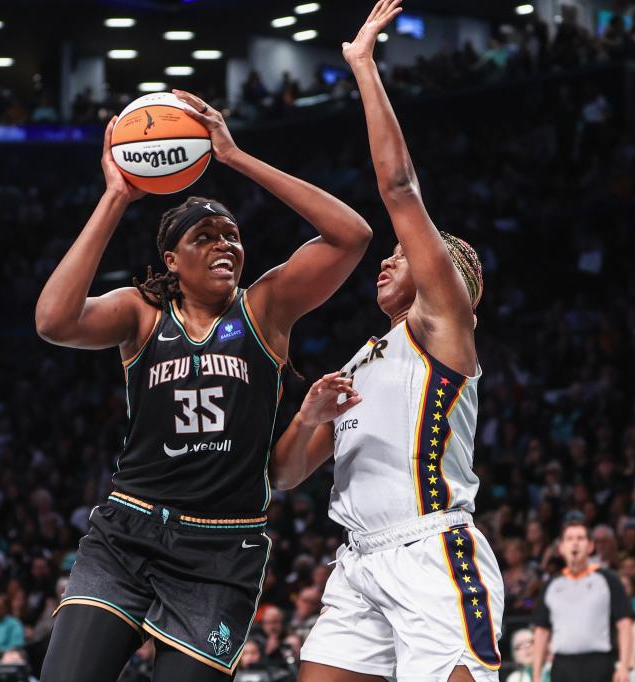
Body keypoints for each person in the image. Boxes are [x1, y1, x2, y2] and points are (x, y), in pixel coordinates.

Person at [34, 79, 372, 680]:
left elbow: (353, 235)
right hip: (128, 531)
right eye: (204, 238)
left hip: (222, 549)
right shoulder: (141, 312)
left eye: (232, 236)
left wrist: (235, 156)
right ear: (172, 260)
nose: (225, 245)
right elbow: (54, 320)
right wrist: (116, 197)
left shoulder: (264, 308)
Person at [278, 2, 501, 680]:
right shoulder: (360, 361)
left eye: (402, 256)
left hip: (432, 553)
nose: (386, 259)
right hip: (357, 562)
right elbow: (282, 478)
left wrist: (364, 65)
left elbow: (399, 187)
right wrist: (309, 416)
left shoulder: (444, 330)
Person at [531, 521, 633, 682]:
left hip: (599, 663)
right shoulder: (551, 585)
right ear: (561, 548)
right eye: (569, 539)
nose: (575, 543)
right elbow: (541, 632)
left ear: (590, 546)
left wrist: (624, 666)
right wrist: (536, 675)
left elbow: (625, 624)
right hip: (562, 665)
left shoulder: (609, 580)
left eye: (580, 538)